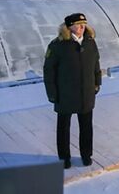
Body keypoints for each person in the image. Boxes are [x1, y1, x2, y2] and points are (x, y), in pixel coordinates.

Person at [43, 13, 101, 169]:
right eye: (77, 24)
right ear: (69, 27)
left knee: (86, 126)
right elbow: (49, 71)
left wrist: (97, 84)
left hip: (86, 93)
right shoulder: (57, 46)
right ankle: (64, 158)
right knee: (63, 128)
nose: (81, 27)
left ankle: (86, 155)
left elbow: (96, 64)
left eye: (83, 24)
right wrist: (52, 94)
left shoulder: (90, 42)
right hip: (65, 95)